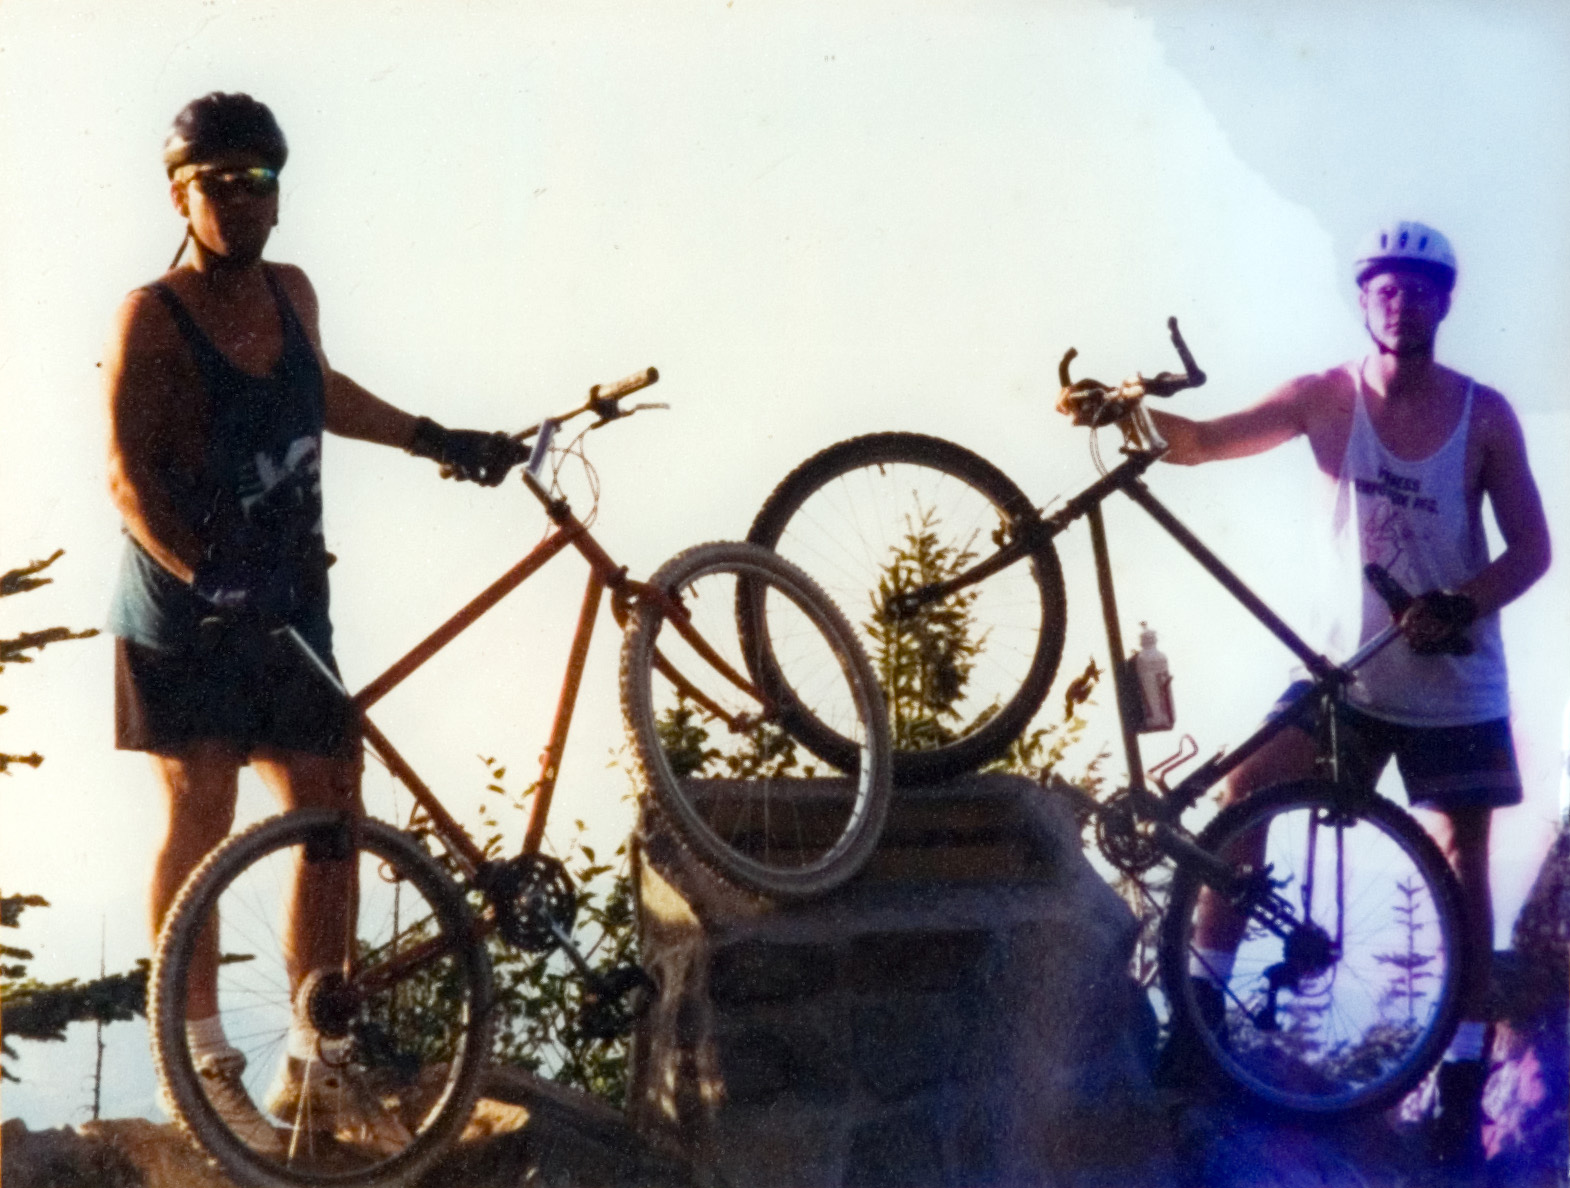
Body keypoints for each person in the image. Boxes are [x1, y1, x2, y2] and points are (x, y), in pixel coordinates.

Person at [105, 93, 525, 1155]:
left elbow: (320, 391)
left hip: (289, 593)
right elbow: (126, 478)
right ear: (180, 197)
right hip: (188, 609)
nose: (241, 201)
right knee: (201, 801)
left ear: (277, 198)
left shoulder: (292, 294)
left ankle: (315, 1057)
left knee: (331, 799)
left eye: (259, 181)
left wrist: (437, 437)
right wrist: (204, 575)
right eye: (218, 184)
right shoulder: (152, 315)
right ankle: (198, 1063)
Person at [1079, 221, 1551, 1166]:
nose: (1402, 301)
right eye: (1386, 286)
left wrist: (1460, 603)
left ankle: (1460, 1078)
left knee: (1462, 857)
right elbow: (1204, 442)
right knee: (1242, 795)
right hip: (1346, 665)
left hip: (1454, 679)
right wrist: (1118, 412)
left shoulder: (1485, 415)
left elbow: (1532, 551)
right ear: (1363, 295)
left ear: (1446, 303)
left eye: (1421, 288)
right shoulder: (1323, 398)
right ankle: (1201, 1019)